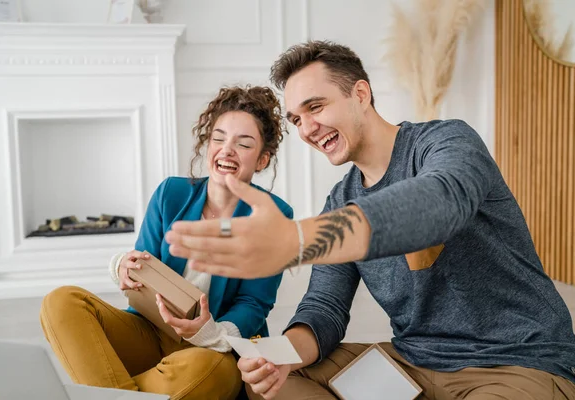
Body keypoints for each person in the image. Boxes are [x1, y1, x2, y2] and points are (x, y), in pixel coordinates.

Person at [164, 41, 575, 400]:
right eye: (296, 119)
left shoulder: (445, 141)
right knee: (266, 383)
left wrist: (300, 239)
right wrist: (280, 357)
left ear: (360, 93)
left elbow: (442, 201)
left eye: (316, 107)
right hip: (413, 361)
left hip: (517, 359)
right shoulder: (341, 198)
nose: (307, 128)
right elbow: (325, 306)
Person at [39, 85, 293, 400]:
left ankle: (109, 388)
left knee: (207, 372)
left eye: (243, 144)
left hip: (212, 349)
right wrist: (122, 265)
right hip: (149, 331)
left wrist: (209, 332)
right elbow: (141, 262)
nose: (226, 150)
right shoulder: (171, 193)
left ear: (262, 160)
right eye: (218, 138)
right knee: (60, 302)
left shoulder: (275, 217)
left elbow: (255, 304)